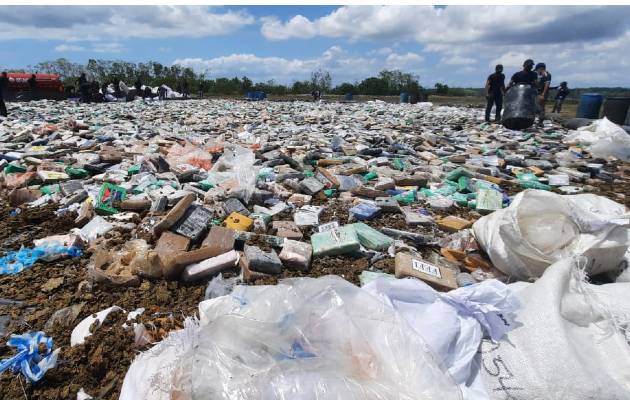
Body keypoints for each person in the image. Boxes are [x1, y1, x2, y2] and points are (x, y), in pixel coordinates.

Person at [534, 62, 551, 127]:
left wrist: (543, 94)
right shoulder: (539, 74)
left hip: (542, 93)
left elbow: (547, 85)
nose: (537, 71)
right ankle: (537, 120)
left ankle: (540, 122)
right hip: (537, 92)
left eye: (537, 69)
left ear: (541, 68)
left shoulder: (546, 74)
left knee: (541, 107)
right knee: (536, 106)